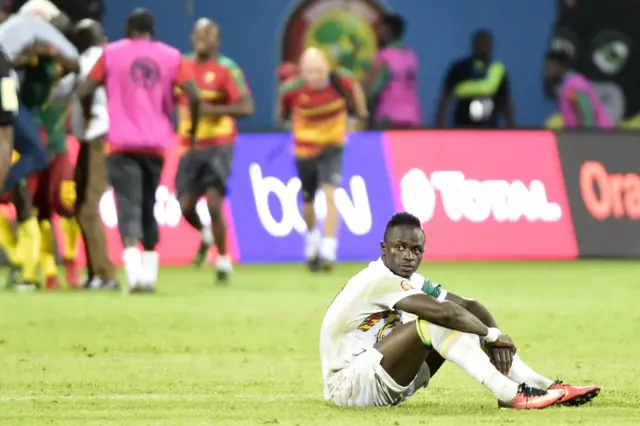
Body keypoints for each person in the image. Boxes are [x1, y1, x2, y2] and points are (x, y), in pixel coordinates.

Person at [320, 212, 601, 408]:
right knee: (436, 321)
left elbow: (467, 305)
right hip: (349, 388)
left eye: (416, 250)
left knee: (460, 317)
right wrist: (491, 336)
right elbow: (446, 314)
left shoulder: (409, 279)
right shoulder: (377, 280)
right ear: (384, 250)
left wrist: (495, 337)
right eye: (400, 247)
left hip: (385, 379)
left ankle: (544, 386)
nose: (408, 256)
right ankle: (511, 394)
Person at [78, 8, 201, 293]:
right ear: (152, 30)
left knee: (128, 204)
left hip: (121, 143)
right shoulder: (172, 56)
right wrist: (191, 129)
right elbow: (194, 95)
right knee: (148, 205)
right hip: (157, 144)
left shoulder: (110, 54)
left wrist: (88, 117)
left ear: (127, 29)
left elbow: (84, 91)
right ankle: (150, 275)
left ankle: (135, 277)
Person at [175, 18, 254, 281]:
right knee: (184, 205)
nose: (201, 39)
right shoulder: (181, 66)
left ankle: (222, 260)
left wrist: (212, 110)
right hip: (189, 143)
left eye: (207, 34)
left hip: (219, 143)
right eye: (197, 34)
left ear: (217, 40)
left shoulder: (226, 69)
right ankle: (206, 235)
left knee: (213, 203)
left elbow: (246, 107)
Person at [277, 47, 367, 272]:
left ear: (327, 66)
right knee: (308, 201)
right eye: (309, 71)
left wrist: (359, 117)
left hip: (333, 146)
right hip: (305, 149)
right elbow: (282, 116)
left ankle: (329, 249)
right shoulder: (291, 89)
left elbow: (358, 100)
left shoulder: (341, 81)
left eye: (318, 70)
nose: (315, 76)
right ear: (301, 71)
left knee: (329, 192)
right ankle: (312, 238)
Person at [51, 18, 117, 290]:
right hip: (94, 141)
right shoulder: (93, 61)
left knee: (88, 207)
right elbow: (62, 93)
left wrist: (88, 115)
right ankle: (95, 273)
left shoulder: (93, 61)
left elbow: (65, 93)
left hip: (98, 138)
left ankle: (106, 274)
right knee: (82, 206)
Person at [0, 4, 78, 193]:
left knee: (35, 155)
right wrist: (28, 54)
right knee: (19, 143)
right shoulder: (17, 38)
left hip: (20, 102)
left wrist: (50, 53)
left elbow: (74, 63)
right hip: (13, 97)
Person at [435, 30, 515, 129]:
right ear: (473, 44)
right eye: (480, 42)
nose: (483, 46)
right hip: (463, 124)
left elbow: (505, 101)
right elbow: (445, 97)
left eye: (486, 43)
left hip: (489, 127)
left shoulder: (497, 70)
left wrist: (511, 125)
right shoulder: (460, 67)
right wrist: (439, 122)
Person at [364, 13, 421, 129]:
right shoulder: (411, 55)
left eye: (381, 28)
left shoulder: (383, 56)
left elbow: (372, 90)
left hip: (388, 116)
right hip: (412, 116)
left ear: (388, 31)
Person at [543, 50, 615, 129]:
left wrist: (586, 135)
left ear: (561, 66)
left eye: (550, 67)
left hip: (599, 136)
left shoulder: (573, 84)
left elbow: (585, 108)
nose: (547, 71)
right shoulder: (568, 84)